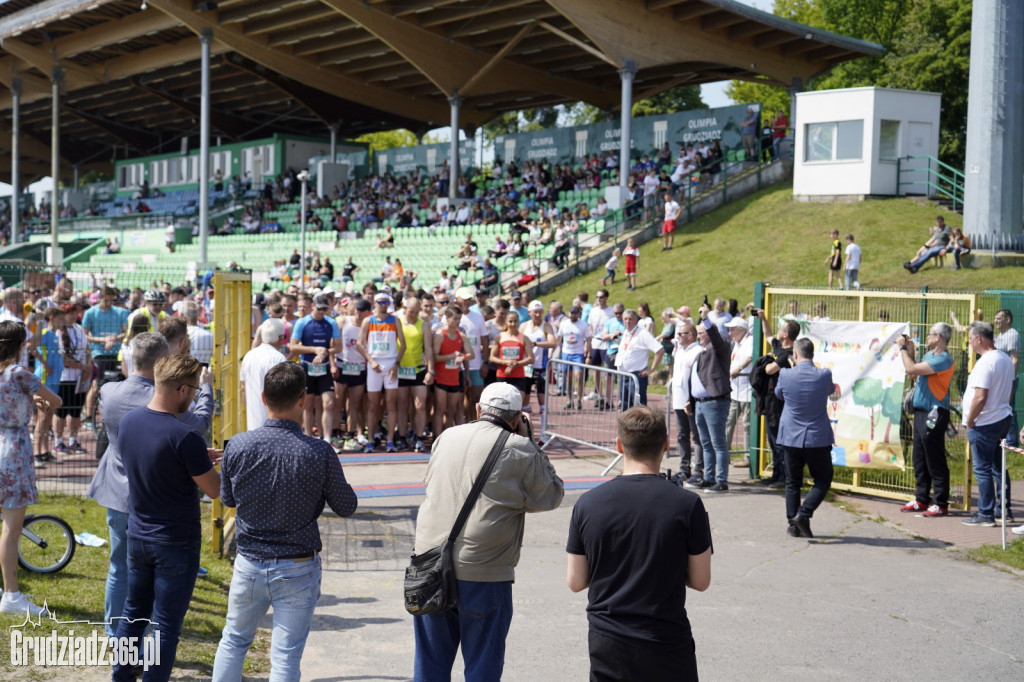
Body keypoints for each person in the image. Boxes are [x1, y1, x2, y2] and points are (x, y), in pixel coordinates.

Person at [212, 363, 358, 680]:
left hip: (250, 560)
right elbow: (346, 506)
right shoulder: (320, 452)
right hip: (297, 564)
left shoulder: (238, 445)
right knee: (286, 658)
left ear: (263, 397)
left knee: (234, 640)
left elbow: (228, 500)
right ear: (303, 399)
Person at [412, 382, 564, 680]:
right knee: (483, 664)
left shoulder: (446, 436)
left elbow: (431, 484)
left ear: (478, 409)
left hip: (430, 563)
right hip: (484, 570)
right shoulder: (520, 448)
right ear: (518, 417)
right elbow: (550, 496)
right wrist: (530, 440)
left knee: (430, 662)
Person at [566, 406, 712, 681]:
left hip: (609, 638)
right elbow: (701, 580)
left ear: (619, 445)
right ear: (666, 445)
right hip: (666, 637)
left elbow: (575, 581)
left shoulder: (588, 503)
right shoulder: (687, 504)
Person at [88, 332, 214, 636]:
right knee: (153, 576)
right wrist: (207, 390)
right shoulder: (161, 401)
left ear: (133, 358)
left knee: (119, 568)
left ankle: (114, 634)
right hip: (153, 498)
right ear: (162, 363)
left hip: (116, 491)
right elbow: (200, 423)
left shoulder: (109, 391)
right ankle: (142, 640)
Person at [113, 354, 221, 681]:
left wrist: (196, 460)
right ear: (183, 390)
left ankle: (121, 676)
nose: (195, 397)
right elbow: (215, 491)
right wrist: (210, 464)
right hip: (175, 541)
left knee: (133, 614)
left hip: (138, 536)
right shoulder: (185, 436)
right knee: (166, 624)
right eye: (196, 391)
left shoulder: (129, 422)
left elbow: (155, 459)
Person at [0, 321, 62, 616]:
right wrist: (34, 397)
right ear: (20, 346)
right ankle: (12, 596)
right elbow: (57, 400)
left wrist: (28, 399)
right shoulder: (19, 373)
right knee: (11, 529)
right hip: (13, 450)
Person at [775, 338, 836, 538]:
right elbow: (830, 391)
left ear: (795, 354)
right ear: (812, 354)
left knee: (793, 482)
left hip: (791, 437)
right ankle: (804, 513)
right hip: (817, 437)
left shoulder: (785, 374)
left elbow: (779, 394)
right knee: (823, 478)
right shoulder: (824, 374)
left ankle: (793, 523)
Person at [896, 323, 955, 517]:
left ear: (938, 337)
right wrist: (910, 351)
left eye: (930, 334)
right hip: (921, 412)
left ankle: (940, 502)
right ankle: (921, 498)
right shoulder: (929, 356)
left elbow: (911, 367)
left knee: (934, 456)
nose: (927, 336)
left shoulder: (944, 360)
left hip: (935, 412)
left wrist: (903, 349)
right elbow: (912, 372)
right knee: (919, 456)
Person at [961, 321, 1015, 527]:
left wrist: (971, 420)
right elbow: (1010, 390)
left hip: (984, 422)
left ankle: (985, 514)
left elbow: (980, 396)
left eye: (970, 338)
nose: (969, 343)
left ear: (979, 339)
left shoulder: (985, 362)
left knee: (982, 468)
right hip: (1001, 418)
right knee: (998, 467)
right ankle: (1004, 510)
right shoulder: (1005, 359)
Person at [686, 303, 732, 492]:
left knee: (718, 443)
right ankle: (709, 477)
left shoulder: (720, 348)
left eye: (701, 332)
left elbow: (715, 336)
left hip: (715, 402)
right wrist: (691, 398)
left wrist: (706, 319)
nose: (698, 336)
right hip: (700, 403)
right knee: (706, 443)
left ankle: (721, 481)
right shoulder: (701, 352)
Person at [357, 292, 406, 453]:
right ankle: (371, 439)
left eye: (386, 302)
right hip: (374, 365)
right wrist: (371, 361)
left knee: (391, 404)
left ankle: (390, 440)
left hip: (390, 364)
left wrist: (396, 364)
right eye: (380, 302)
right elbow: (359, 344)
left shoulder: (395, 320)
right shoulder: (368, 320)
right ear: (375, 303)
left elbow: (403, 345)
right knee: (373, 405)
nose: (383, 304)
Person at [289, 293, 341, 440]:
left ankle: (327, 438)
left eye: (325, 309)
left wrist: (325, 352)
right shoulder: (302, 322)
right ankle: (309, 437)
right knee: (308, 405)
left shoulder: (331, 323)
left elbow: (339, 347)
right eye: (319, 309)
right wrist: (314, 349)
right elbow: (292, 346)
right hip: (307, 367)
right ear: (312, 306)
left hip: (323, 368)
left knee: (329, 403)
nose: (322, 312)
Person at [396, 296, 434, 452]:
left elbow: (429, 349)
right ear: (405, 308)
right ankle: (402, 436)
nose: (413, 315)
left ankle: (419, 437)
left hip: (418, 369)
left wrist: (430, 370)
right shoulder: (397, 322)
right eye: (411, 311)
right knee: (402, 405)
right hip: (401, 369)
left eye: (416, 312)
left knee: (420, 405)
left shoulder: (424, 325)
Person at [239, 319, 288, 432]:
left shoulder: (249, 355)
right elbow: (282, 393)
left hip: (252, 423)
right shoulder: (279, 358)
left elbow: (243, 389)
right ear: (280, 337)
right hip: (274, 425)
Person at [671, 323, 704, 486]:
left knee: (697, 436)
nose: (678, 336)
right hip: (678, 400)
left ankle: (698, 469)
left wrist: (690, 399)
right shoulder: (679, 351)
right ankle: (684, 467)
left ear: (691, 335)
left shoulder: (698, 351)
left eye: (681, 333)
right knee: (682, 435)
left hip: (691, 401)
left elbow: (696, 378)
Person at [432, 306, 473, 436]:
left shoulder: (461, 335)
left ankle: (448, 438)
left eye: (459, 319)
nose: (457, 322)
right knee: (440, 409)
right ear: (447, 318)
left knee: (452, 410)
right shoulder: (440, 335)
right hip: (441, 378)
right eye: (455, 318)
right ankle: (437, 438)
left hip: (455, 378)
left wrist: (462, 357)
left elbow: (471, 354)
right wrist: (451, 356)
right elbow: (434, 356)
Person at [613, 309, 664, 409]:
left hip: (636, 376)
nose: (628, 321)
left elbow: (660, 350)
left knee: (638, 408)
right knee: (625, 407)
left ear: (636, 320)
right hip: (624, 375)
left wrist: (652, 369)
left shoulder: (642, 333)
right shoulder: (626, 333)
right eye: (625, 319)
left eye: (630, 319)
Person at [520, 300, 556, 416]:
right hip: (526, 366)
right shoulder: (524, 326)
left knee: (541, 398)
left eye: (540, 312)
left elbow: (552, 343)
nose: (537, 315)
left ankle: (543, 433)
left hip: (540, 366)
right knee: (524, 398)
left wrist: (535, 344)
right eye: (535, 312)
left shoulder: (546, 326)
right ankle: (526, 428)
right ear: (529, 312)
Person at [490, 312, 534, 406]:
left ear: (518, 321)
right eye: (510, 321)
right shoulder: (500, 337)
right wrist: (505, 363)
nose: (513, 324)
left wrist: (516, 364)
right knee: (501, 405)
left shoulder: (524, 338)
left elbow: (531, 359)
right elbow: (492, 357)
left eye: (515, 321)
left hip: (518, 376)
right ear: (506, 322)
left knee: (517, 406)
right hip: (503, 374)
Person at [725, 317, 753, 460]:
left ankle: (748, 457)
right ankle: (725, 454)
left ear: (741, 330)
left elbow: (749, 357)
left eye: (732, 330)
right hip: (735, 390)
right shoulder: (737, 343)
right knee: (729, 421)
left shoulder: (750, 341)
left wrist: (739, 368)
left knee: (747, 424)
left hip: (747, 391)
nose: (729, 333)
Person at [557, 305, 591, 410]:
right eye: (572, 313)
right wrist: (554, 351)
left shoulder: (583, 325)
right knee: (569, 378)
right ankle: (569, 400)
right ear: (568, 313)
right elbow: (559, 338)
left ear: (578, 314)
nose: (573, 315)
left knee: (579, 377)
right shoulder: (564, 324)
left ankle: (579, 399)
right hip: (566, 353)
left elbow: (589, 340)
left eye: (575, 313)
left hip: (578, 354)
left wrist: (588, 355)